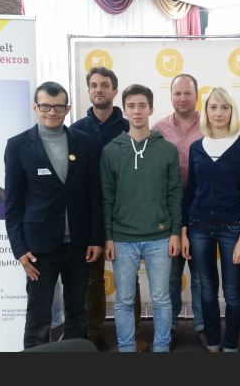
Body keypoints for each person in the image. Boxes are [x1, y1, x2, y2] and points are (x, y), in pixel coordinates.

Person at [4, 81, 102, 349]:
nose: (52, 112)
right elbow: (12, 203)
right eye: (46, 106)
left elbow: (94, 194)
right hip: (38, 248)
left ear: (67, 109)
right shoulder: (18, 145)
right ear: (35, 107)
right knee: (38, 315)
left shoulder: (84, 142)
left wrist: (95, 238)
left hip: (79, 245)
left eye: (58, 107)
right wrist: (19, 249)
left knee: (77, 311)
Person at [70, 66, 148, 352]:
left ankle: (134, 333)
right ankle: (94, 334)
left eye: (104, 85)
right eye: (93, 85)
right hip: (88, 214)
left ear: (115, 91)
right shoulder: (76, 130)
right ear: (88, 90)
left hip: (124, 213)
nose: (98, 90)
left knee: (127, 278)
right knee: (91, 279)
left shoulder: (130, 127)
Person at [101, 84, 182, 352]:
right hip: (123, 238)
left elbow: (174, 194)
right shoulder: (111, 151)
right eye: (131, 106)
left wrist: (174, 232)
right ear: (124, 110)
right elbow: (106, 198)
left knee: (161, 299)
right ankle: (127, 348)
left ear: (151, 109)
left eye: (142, 106)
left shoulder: (167, 150)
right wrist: (108, 236)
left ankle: (161, 347)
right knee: (124, 300)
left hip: (160, 236)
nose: (137, 111)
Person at [182, 87, 240, 352]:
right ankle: (213, 342)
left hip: (233, 230)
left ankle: (231, 345)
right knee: (206, 289)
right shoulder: (196, 148)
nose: (218, 113)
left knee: (233, 293)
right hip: (199, 228)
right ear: (206, 111)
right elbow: (190, 191)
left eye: (224, 107)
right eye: (213, 107)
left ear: (232, 111)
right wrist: (184, 229)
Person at [152, 73, 206, 350]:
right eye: (177, 93)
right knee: (171, 277)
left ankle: (204, 327)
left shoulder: (210, 125)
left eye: (187, 93)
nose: (182, 98)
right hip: (169, 213)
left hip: (202, 212)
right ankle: (169, 327)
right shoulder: (158, 129)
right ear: (171, 96)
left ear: (197, 95)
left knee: (201, 276)